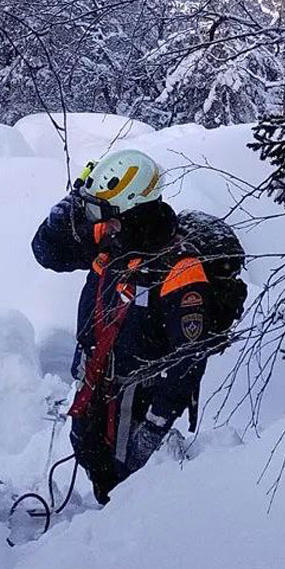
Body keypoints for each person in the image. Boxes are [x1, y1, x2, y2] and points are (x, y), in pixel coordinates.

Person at [31, 149, 211, 505]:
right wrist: (62, 216)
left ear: (134, 209)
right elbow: (46, 253)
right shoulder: (115, 239)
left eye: (106, 214)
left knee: (127, 492)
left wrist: (155, 425)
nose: (102, 224)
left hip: (139, 401)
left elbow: (189, 359)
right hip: (98, 387)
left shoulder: (178, 268)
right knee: (93, 460)